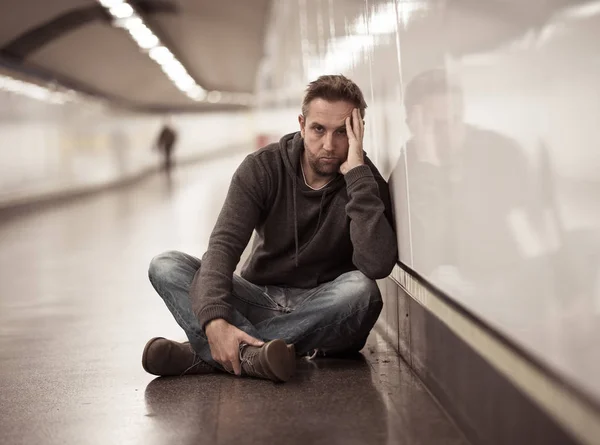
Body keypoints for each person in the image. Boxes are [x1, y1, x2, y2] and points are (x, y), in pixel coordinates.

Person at [143, 75, 398, 383]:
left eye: (341, 132)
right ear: (302, 125)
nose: (328, 145)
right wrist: (213, 320)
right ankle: (252, 355)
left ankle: (204, 355)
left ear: (358, 132)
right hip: (259, 298)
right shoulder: (263, 168)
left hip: (325, 307)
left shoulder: (364, 182)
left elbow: (377, 265)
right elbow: (223, 247)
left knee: (362, 290)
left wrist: (357, 173)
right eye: (318, 129)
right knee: (166, 265)